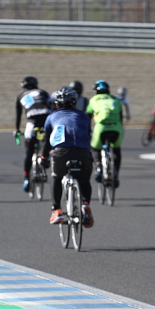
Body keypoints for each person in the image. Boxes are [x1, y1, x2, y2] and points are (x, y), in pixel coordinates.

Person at [40, 87, 94, 228]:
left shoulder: (51, 117)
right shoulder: (83, 116)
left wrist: (43, 157)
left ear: (56, 103)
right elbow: (88, 134)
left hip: (61, 152)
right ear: (75, 102)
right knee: (84, 180)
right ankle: (86, 205)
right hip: (83, 152)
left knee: (57, 177)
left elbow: (46, 142)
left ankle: (56, 210)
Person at [15, 76, 50, 192]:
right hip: (46, 119)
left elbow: (18, 116)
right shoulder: (43, 92)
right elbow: (52, 106)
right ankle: (47, 158)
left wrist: (17, 130)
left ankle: (26, 178)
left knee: (29, 150)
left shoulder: (21, 96)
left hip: (32, 122)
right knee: (47, 142)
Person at [87, 80, 124, 188]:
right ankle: (116, 172)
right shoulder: (116, 99)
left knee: (94, 148)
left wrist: (88, 132)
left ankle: (98, 167)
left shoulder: (93, 99)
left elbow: (87, 117)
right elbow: (121, 117)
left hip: (101, 127)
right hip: (116, 127)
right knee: (116, 149)